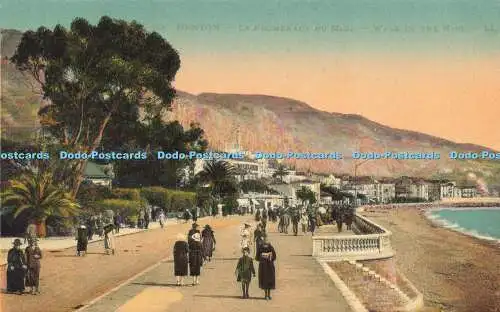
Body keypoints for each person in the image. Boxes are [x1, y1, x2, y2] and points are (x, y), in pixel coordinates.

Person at [255, 235, 276, 300]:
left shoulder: (271, 247)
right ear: (263, 240)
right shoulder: (260, 247)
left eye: (267, 240)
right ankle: (265, 295)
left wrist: (270, 256)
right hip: (263, 266)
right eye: (264, 240)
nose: (265, 241)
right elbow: (257, 258)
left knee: (270, 280)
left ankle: (269, 295)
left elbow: (274, 257)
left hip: (270, 266)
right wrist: (262, 256)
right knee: (264, 280)